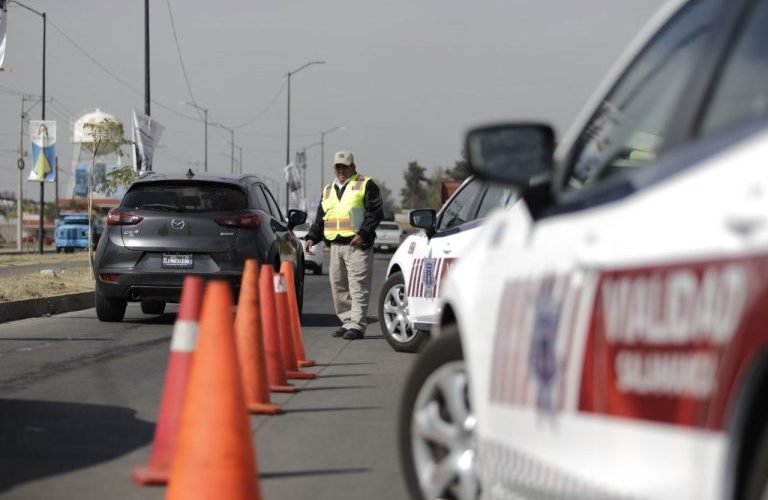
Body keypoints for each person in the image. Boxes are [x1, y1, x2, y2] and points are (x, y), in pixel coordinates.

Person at [304, 150, 384, 340]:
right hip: (335, 247)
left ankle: (357, 325)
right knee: (338, 286)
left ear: (353, 167)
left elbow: (376, 212)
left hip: (357, 245)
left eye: (344, 166)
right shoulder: (328, 190)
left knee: (357, 286)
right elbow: (321, 218)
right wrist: (312, 237)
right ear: (334, 168)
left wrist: (363, 234)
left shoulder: (365, 184)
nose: (341, 170)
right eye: (337, 167)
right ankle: (347, 321)